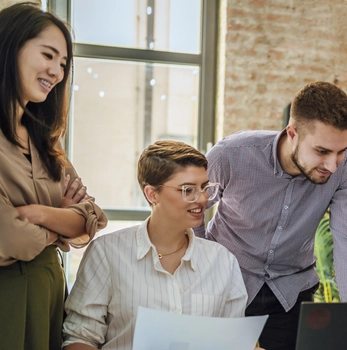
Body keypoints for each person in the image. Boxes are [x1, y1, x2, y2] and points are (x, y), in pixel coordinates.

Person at [195, 81, 347, 350]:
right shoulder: (230, 156)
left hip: (291, 294)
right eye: (322, 151)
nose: (333, 165)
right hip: (227, 286)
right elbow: (191, 212)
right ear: (292, 133)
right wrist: (204, 271)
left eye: (341, 151)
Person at [62, 140, 249, 349]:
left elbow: (232, 343)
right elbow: (80, 337)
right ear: (152, 194)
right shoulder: (107, 253)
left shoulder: (223, 261)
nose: (202, 199)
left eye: (204, 187)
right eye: (188, 189)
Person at [0, 3, 108, 348]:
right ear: (9, 47)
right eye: (48, 55)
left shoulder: (44, 141)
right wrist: (60, 225)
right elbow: (9, 237)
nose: (57, 72)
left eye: (63, 64)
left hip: (50, 295)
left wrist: (39, 214)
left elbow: (92, 218)